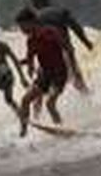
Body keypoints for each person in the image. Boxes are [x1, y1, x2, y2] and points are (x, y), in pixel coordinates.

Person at [15, 8, 69, 137]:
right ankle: (23, 134)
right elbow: (30, 58)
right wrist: (26, 65)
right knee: (25, 100)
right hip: (45, 75)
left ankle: (60, 128)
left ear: (32, 22)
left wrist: (71, 66)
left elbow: (67, 48)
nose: (21, 30)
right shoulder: (30, 40)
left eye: (22, 26)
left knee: (50, 103)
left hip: (59, 73)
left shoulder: (50, 31)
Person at [30, 0, 94, 93]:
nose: (33, 4)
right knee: (78, 82)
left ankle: (38, 109)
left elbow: (34, 40)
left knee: (40, 88)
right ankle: (90, 104)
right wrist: (86, 43)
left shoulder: (36, 17)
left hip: (48, 55)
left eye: (33, 1)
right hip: (66, 52)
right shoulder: (61, 11)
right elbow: (76, 27)